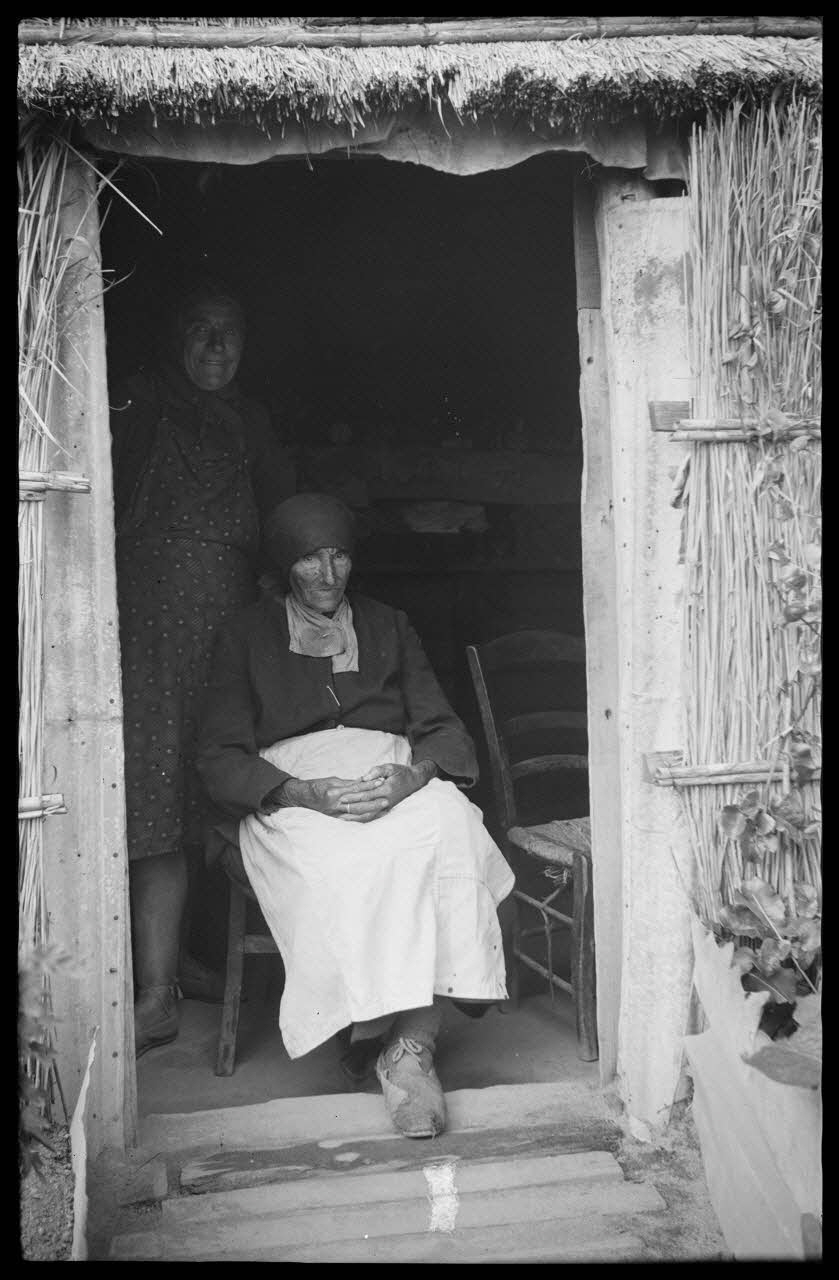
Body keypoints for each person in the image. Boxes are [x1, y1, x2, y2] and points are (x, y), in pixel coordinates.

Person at [196, 493, 514, 1138]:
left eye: (339, 555)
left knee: (454, 830)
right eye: (310, 558)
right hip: (295, 788)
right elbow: (219, 754)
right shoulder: (245, 634)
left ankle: (409, 1046)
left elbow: (442, 727)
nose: (329, 573)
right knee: (342, 860)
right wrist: (302, 793)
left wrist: (412, 777)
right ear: (286, 565)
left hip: (388, 772)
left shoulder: (389, 623)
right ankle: (375, 1030)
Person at [111, 282, 296, 1057]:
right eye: (200, 332)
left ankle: (189, 961)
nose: (217, 349)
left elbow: (285, 519)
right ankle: (155, 989)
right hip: (149, 626)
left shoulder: (252, 422)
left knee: (222, 787)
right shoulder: (137, 403)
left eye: (230, 334)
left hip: (227, 629)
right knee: (155, 792)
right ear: (174, 339)